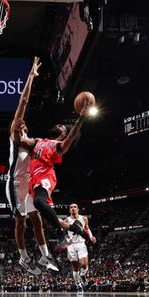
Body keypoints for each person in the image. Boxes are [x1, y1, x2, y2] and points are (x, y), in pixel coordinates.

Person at [11, 103, 94, 250]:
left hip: (46, 177)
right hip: (32, 181)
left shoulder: (59, 146)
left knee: (37, 202)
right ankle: (75, 228)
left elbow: (71, 136)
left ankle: (61, 233)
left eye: (62, 127)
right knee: (46, 216)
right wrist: (16, 129)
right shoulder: (38, 141)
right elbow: (20, 141)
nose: (58, 126)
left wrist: (81, 118)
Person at [5, 56, 52, 275]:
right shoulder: (16, 137)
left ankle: (45, 256)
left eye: (24, 122)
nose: (22, 122)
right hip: (15, 184)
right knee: (21, 221)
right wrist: (31, 77)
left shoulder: (31, 142)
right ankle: (24, 258)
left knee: (37, 219)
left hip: (30, 183)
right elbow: (22, 103)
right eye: (18, 121)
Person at [63, 203, 96, 291]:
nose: (73, 208)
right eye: (71, 207)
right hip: (71, 245)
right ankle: (78, 284)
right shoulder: (66, 220)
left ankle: (83, 274)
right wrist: (67, 239)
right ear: (69, 210)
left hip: (81, 243)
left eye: (74, 207)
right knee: (75, 266)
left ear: (78, 209)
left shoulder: (84, 218)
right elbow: (63, 233)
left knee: (84, 264)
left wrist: (91, 237)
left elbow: (87, 228)